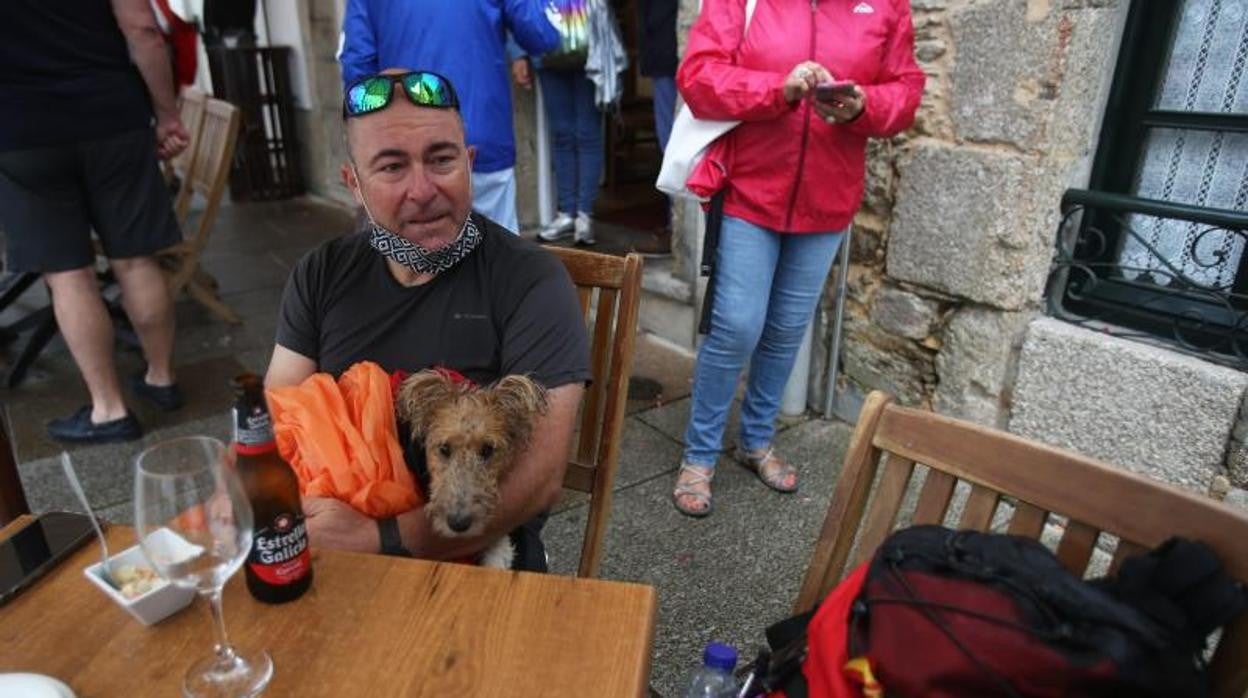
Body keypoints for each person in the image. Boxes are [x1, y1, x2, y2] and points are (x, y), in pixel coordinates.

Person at [266, 69, 590, 570]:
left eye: (441, 159)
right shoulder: (321, 274)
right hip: (329, 546)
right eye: (392, 167)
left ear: (470, 162)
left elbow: (539, 480)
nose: (423, 189)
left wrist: (378, 539)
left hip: (473, 557)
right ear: (354, 183)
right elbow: (276, 420)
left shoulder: (530, 279)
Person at [671, 0, 924, 517]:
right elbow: (697, 76)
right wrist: (777, 90)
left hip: (827, 202)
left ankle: (756, 441)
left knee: (787, 327)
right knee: (737, 325)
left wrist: (862, 106)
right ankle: (699, 455)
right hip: (749, 192)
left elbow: (906, 89)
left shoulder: (884, 6)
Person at [0, 0, 191, 444]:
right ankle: (162, 379)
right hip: (112, 117)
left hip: (22, 129)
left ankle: (109, 409)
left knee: (68, 275)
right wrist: (166, 113)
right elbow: (142, 27)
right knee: (136, 259)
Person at [340, 0, 559, 235]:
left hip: (404, 148)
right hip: (481, 130)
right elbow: (543, 35)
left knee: (414, 255)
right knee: (500, 256)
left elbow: (357, 69)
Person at [631, 0, 679, 257]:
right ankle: (673, 225)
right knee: (669, 144)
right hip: (664, 52)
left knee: (670, 144)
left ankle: (675, 229)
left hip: (668, 53)